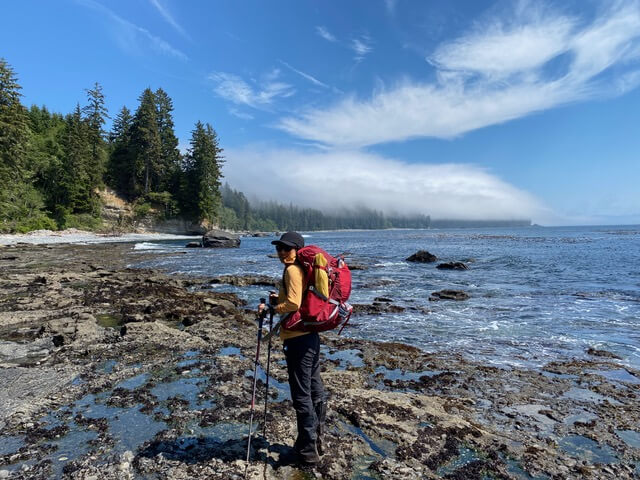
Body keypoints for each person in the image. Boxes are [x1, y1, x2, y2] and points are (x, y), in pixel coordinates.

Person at [270, 231, 326, 465]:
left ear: (297, 250)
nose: (282, 252)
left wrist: (273, 309)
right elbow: (297, 298)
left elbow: (293, 303)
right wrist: (278, 298)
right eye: (279, 248)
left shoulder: (293, 269)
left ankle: (306, 453)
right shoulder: (302, 269)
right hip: (310, 337)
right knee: (315, 390)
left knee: (301, 395)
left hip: (297, 339)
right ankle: (317, 441)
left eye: (287, 248)